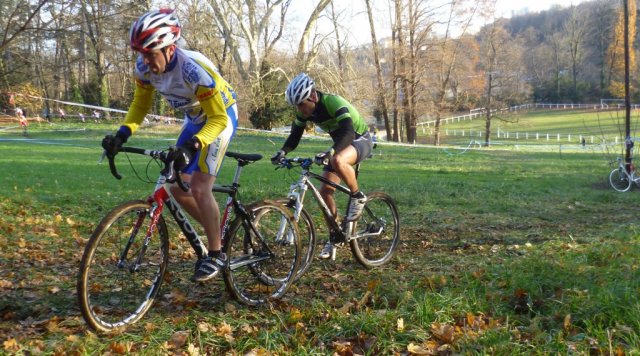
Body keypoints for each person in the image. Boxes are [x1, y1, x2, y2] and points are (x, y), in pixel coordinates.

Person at [101, 9, 238, 282]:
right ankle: (218, 233)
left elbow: (218, 118)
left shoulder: (192, 70)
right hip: (193, 120)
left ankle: (216, 253)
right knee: (175, 185)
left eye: (151, 53)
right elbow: (141, 104)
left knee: (199, 186)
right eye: (141, 54)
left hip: (219, 118)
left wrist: (192, 146)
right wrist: (123, 133)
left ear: (170, 48)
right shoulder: (144, 69)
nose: (146, 61)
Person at [271, 73, 373, 259]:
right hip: (341, 146)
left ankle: (358, 196)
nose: (300, 110)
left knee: (338, 160)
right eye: (297, 106)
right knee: (325, 191)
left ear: (312, 96)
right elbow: (295, 136)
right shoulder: (304, 111)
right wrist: (283, 152)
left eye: (302, 104)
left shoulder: (333, 102)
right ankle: (335, 235)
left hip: (360, 140)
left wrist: (332, 151)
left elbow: (349, 132)